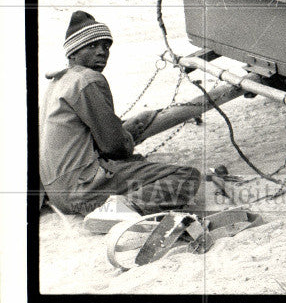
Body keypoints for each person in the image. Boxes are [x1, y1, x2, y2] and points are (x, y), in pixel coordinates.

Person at [39, 11, 202, 216]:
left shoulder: (57, 83)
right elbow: (115, 147)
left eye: (106, 47)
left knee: (138, 165)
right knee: (187, 177)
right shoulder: (87, 80)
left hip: (58, 194)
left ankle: (118, 205)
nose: (102, 52)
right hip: (83, 191)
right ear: (73, 53)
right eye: (92, 46)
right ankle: (119, 211)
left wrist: (124, 130)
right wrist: (128, 136)